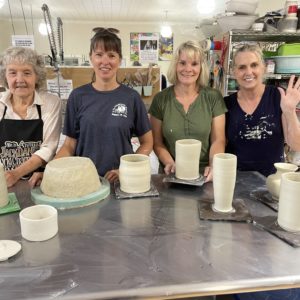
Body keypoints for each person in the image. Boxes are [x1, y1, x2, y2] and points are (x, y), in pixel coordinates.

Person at [53, 27, 152, 183]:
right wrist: (49, 171)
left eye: (111, 55)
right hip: (83, 181)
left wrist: (126, 169)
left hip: (121, 181)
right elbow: (69, 145)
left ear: (119, 60)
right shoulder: (77, 96)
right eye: (99, 55)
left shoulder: (131, 98)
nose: (105, 61)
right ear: (91, 58)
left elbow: (147, 142)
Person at [149, 40, 227, 182]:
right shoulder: (161, 99)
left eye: (194, 64)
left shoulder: (213, 97)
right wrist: (170, 163)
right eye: (182, 63)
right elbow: (157, 142)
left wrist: (214, 165)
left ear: (201, 67)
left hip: (205, 175)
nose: (188, 69)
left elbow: (218, 139)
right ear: (175, 65)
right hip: (172, 174)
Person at [225, 44, 300, 177]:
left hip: (271, 182)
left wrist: (290, 111)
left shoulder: (278, 97)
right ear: (234, 72)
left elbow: (296, 144)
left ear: (263, 67)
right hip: (235, 181)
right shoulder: (227, 104)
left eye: (254, 65)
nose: (248, 72)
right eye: (242, 67)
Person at [0, 46, 62, 187]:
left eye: (27, 73)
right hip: (3, 180)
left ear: (37, 76)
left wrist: (16, 173)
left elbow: (49, 148)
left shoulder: (50, 103)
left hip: (37, 180)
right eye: (13, 73)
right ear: (5, 76)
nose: (19, 79)